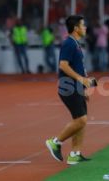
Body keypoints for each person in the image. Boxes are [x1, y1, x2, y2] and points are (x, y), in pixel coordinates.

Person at [45, 15, 94, 165]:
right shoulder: (69, 44)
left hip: (76, 86)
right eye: (83, 25)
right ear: (76, 28)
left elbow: (78, 67)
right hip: (68, 86)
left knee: (80, 120)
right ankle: (55, 142)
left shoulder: (76, 44)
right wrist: (81, 80)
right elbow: (63, 65)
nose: (85, 28)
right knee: (81, 119)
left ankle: (75, 154)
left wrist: (84, 86)